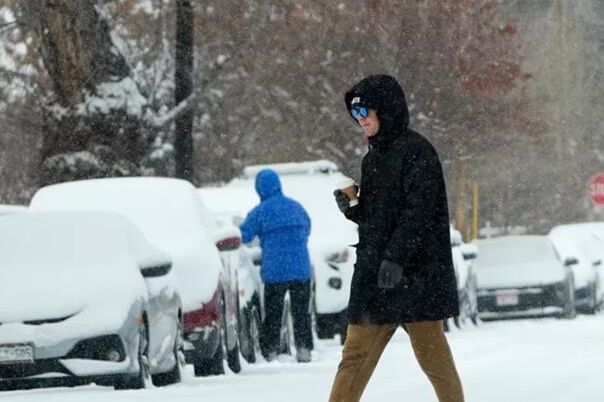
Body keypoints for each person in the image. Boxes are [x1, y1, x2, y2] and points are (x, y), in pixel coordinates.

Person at [329, 75, 464, 402]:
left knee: (434, 360)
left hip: (416, 279)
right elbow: (381, 217)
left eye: (366, 113)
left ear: (386, 111)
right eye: (355, 115)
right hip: (376, 280)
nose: (360, 120)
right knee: (354, 358)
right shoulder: (372, 158)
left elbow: (418, 213)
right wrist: (354, 208)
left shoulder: (417, 152)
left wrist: (397, 258)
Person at [240, 168, 314, 363]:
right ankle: (304, 348)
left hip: (275, 271)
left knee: (273, 313)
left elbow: (244, 235)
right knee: (301, 312)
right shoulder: (296, 207)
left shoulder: (259, 212)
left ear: (260, 189)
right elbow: (307, 228)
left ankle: (270, 350)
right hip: (300, 269)